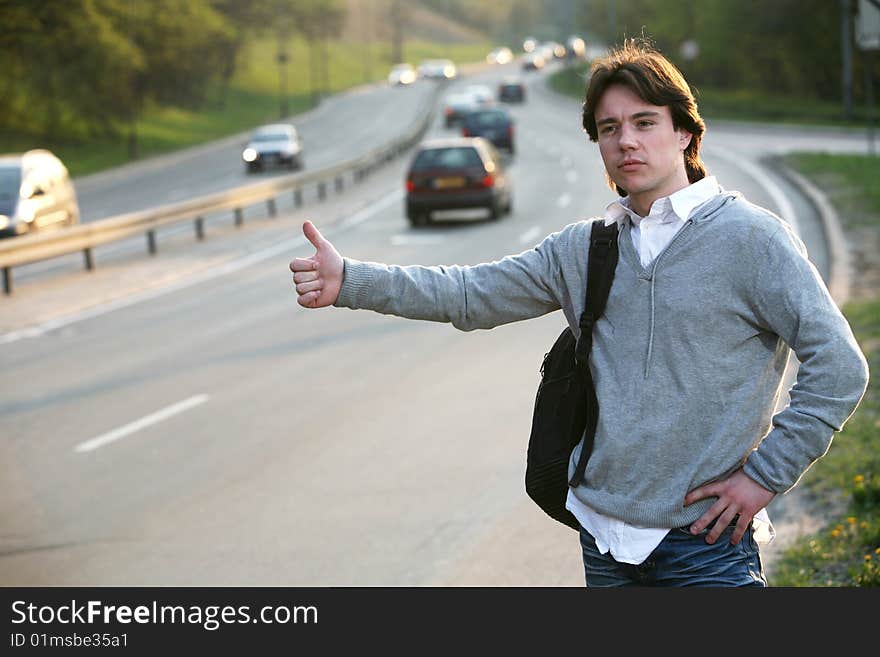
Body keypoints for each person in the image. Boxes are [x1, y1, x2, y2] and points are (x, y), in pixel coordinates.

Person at [289, 40, 869, 587]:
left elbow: (840, 368)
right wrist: (352, 281)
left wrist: (764, 477)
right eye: (609, 128)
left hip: (705, 543)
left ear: (685, 131)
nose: (626, 142)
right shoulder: (585, 249)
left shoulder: (753, 240)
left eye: (645, 123)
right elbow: (470, 294)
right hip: (605, 538)